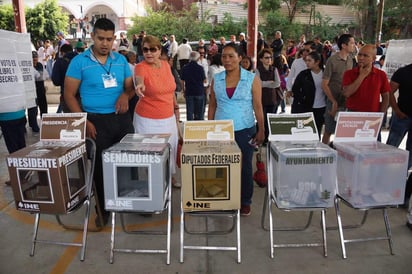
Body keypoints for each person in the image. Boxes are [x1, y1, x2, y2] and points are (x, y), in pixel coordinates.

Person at [64, 18, 135, 227]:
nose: (105, 43)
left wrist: (125, 95)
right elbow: (69, 95)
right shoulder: (79, 62)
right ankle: (103, 210)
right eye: (101, 38)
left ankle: (132, 201)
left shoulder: (121, 60)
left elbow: (130, 88)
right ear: (92, 37)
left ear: (114, 38)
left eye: (109, 39)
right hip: (95, 122)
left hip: (122, 120)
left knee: (129, 163)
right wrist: (83, 121)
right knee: (100, 169)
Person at [208, 44, 265, 216]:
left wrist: (261, 129)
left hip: (244, 129)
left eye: (231, 56)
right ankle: (222, 198)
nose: (227, 60)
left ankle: (244, 201)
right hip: (220, 129)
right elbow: (212, 105)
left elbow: (258, 106)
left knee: (244, 166)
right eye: (224, 56)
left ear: (241, 58)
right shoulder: (216, 79)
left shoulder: (251, 78)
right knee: (221, 166)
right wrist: (209, 127)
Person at [133, 35, 181, 188]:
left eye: (153, 49)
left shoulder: (166, 65)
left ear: (160, 50)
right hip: (147, 120)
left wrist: (176, 110)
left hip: (168, 118)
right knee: (151, 154)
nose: (149, 53)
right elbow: (139, 80)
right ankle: (153, 185)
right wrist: (139, 86)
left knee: (171, 150)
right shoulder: (140, 67)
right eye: (145, 50)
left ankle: (170, 178)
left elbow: (170, 90)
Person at [342, 44, 390, 142]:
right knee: (349, 149)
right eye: (359, 55)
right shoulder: (349, 73)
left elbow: (386, 97)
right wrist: (362, 76)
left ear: (373, 58)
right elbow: (346, 93)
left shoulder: (381, 75)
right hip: (352, 117)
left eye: (365, 55)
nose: (361, 58)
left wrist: (381, 116)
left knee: (372, 150)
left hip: (372, 118)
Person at [385, 63, 412, 215]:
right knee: (390, 150)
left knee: (411, 156)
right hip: (401, 117)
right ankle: (382, 183)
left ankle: (401, 188)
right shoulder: (403, 72)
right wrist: (396, 111)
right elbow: (389, 92)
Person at [321, 34, 356, 145]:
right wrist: (333, 100)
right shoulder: (332, 60)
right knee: (328, 130)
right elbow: (324, 84)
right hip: (333, 101)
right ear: (344, 45)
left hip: (346, 101)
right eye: (352, 43)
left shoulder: (351, 59)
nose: (354, 45)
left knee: (344, 132)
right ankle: (324, 153)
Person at [289, 51, 326, 139]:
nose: (307, 63)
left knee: (317, 132)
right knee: (306, 132)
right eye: (306, 60)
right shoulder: (303, 74)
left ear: (317, 62)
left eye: (309, 61)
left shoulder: (325, 73)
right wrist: (302, 99)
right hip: (306, 107)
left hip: (321, 107)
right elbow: (296, 89)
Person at [255, 49, 281, 144]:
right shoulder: (257, 70)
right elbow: (258, 84)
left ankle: (267, 139)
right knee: (261, 120)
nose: (269, 59)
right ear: (261, 59)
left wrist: (265, 83)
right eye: (266, 57)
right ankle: (259, 137)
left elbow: (277, 83)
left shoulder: (274, 69)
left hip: (272, 98)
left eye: (270, 57)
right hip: (261, 99)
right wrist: (269, 82)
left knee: (270, 120)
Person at [52, 43, 77, 113]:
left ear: (62, 53)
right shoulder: (81, 60)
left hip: (66, 96)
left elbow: (56, 81)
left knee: (70, 120)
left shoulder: (60, 62)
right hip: (83, 96)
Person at [181, 51, 206, 120]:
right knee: (200, 111)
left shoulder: (185, 68)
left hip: (189, 92)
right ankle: (199, 125)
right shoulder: (200, 68)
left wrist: (183, 90)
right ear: (198, 58)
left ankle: (189, 127)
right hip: (199, 91)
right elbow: (204, 80)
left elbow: (182, 81)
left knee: (189, 111)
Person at [28, 51, 48, 132]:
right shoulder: (28, 66)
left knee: (43, 107)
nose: (34, 59)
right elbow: (39, 76)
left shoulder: (40, 65)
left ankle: (45, 123)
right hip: (32, 90)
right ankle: (33, 125)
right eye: (33, 58)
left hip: (41, 89)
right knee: (33, 109)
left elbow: (45, 76)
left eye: (35, 57)